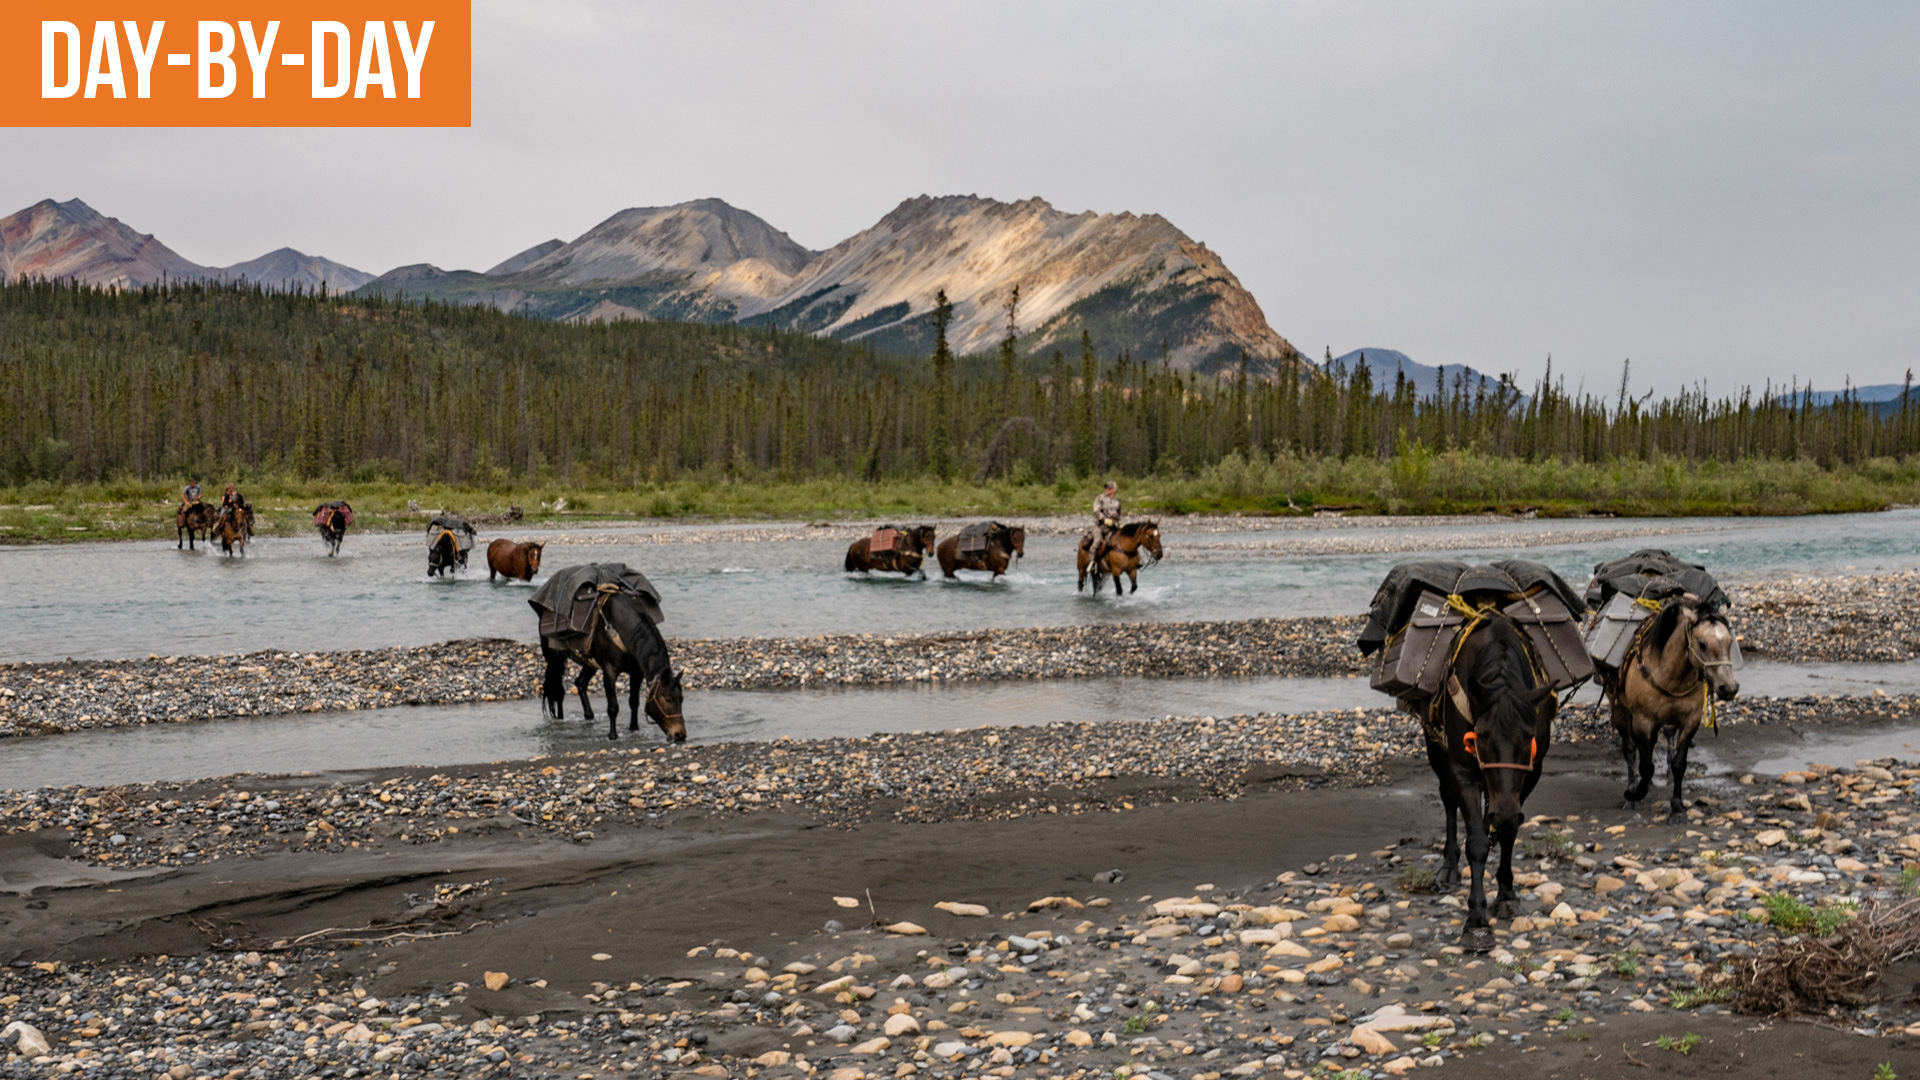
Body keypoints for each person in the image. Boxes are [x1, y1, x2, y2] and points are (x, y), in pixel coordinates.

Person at [1089, 480, 1121, 561]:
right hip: (1099, 525)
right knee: (1098, 540)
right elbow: (1096, 511)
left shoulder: (1117, 502)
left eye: (1109, 488)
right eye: (1106, 487)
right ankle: (1092, 561)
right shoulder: (1100, 498)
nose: (1107, 489)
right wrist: (1104, 520)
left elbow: (1118, 515)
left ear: (1114, 490)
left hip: (1112, 527)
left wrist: (1119, 524)